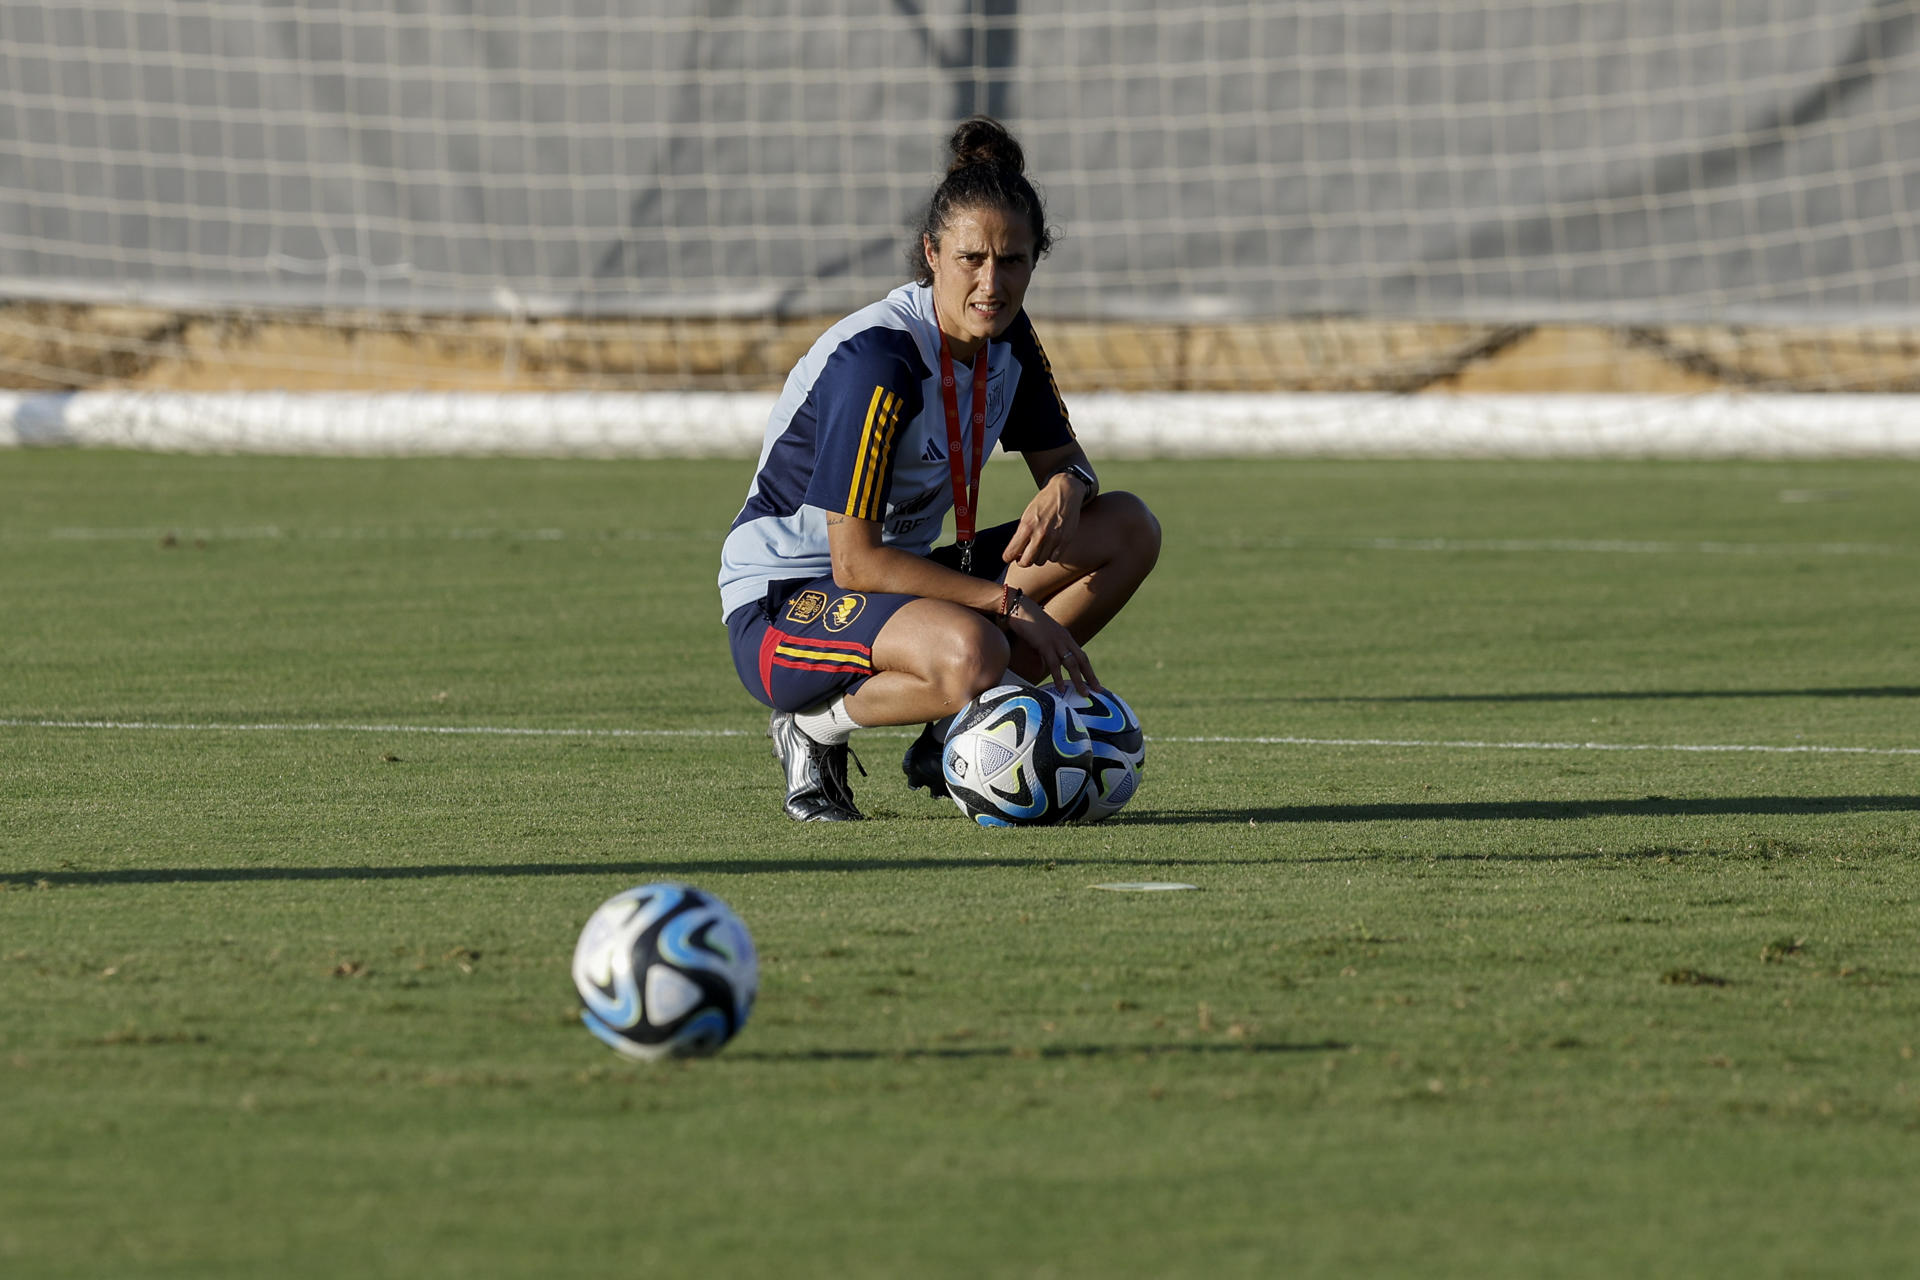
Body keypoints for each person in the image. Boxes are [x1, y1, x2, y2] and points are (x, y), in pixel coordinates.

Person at [718, 117, 1161, 821]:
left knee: (1128, 527)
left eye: (1012, 261)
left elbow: (1072, 468)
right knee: (975, 650)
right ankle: (809, 729)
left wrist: (1070, 487)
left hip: (903, 577)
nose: (992, 282)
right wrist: (1012, 603)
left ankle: (952, 734)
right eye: (971, 260)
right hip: (786, 604)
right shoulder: (880, 362)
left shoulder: (1006, 338)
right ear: (931, 254)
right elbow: (856, 563)